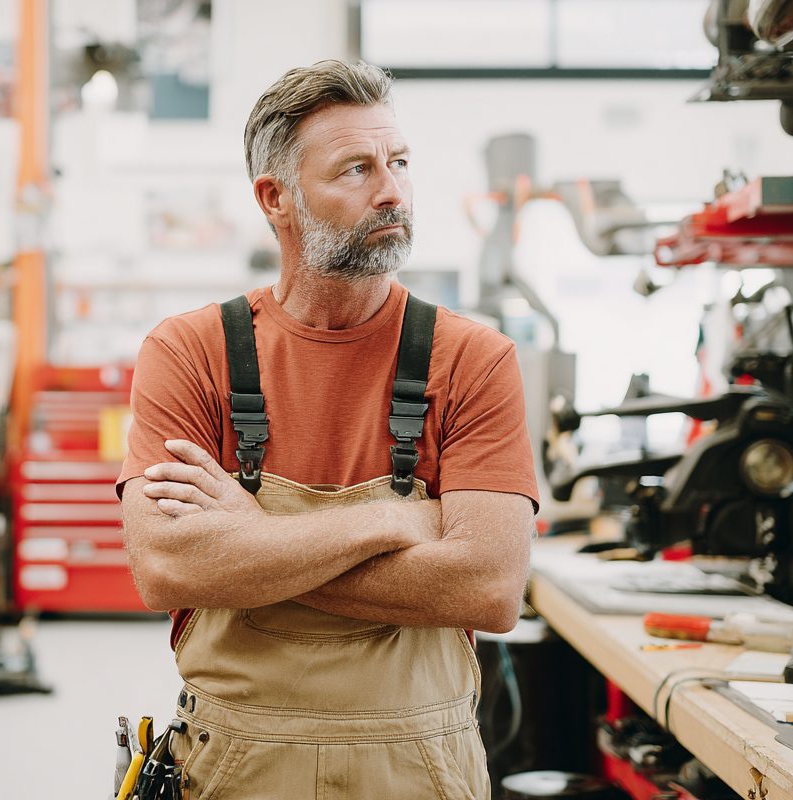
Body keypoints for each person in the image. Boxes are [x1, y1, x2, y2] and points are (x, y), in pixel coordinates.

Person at [117, 60, 539, 799]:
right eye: (355, 169)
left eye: (399, 163)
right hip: (234, 770)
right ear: (275, 198)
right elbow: (169, 570)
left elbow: (489, 586)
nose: (391, 190)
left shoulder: (474, 359)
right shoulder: (188, 353)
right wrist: (395, 518)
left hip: (419, 771)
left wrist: (251, 544)